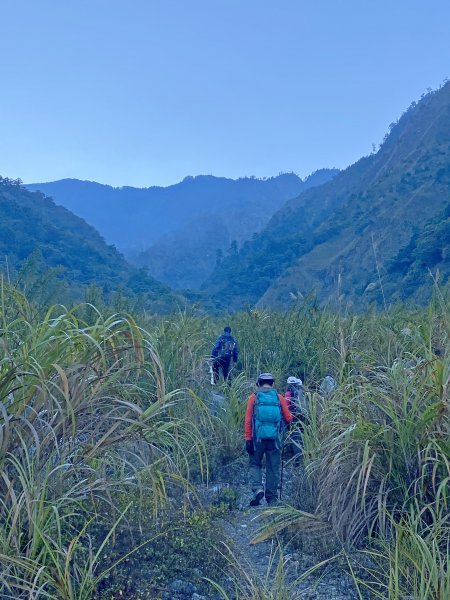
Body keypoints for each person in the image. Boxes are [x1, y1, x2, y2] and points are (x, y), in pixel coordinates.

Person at [245, 372, 293, 506]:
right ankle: (271, 498)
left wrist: (248, 438)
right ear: (272, 383)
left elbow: (248, 420)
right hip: (275, 440)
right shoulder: (279, 398)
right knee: (273, 467)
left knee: (254, 464)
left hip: (257, 439)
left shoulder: (253, 398)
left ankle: (258, 488)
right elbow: (289, 418)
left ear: (258, 383)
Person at [285, 376, 307, 459]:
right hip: (303, 416)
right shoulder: (303, 392)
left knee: (294, 436)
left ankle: (296, 458)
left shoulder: (288, 393)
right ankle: (303, 455)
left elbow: (286, 407)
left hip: (293, 417)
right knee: (301, 436)